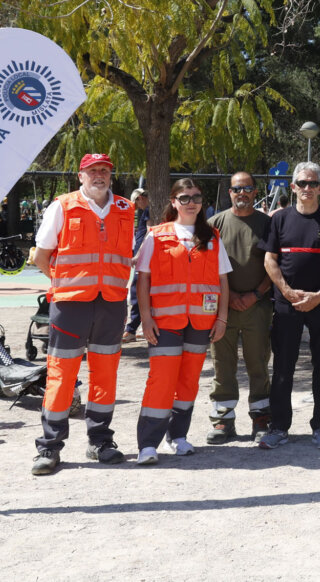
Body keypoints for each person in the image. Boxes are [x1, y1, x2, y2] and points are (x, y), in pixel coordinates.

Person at [29, 153, 135, 475]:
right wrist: (63, 284)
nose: (99, 175)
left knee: (105, 375)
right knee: (61, 376)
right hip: (70, 306)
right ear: (81, 176)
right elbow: (42, 256)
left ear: (110, 175)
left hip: (111, 304)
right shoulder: (62, 206)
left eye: (105, 170)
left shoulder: (126, 208)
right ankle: (49, 447)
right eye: (93, 171)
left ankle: (100, 442)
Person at [134, 179, 231, 464]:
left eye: (196, 197)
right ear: (174, 201)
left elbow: (223, 281)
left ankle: (178, 436)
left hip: (201, 322)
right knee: (162, 381)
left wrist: (222, 318)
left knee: (188, 382)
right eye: (185, 198)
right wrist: (145, 318)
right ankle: (148, 444)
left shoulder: (212, 236)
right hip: (164, 322)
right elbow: (143, 280)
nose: (191, 203)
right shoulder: (156, 235)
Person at [260, 162, 320, 451]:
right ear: (293, 187)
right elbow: (269, 260)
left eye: (312, 183)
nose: (307, 188)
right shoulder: (279, 219)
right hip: (287, 306)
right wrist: (287, 292)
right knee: (283, 366)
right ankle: (278, 427)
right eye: (302, 183)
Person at [205, 172, 274, 444]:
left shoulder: (267, 224)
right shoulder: (214, 224)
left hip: (258, 306)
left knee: (258, 363)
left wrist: (255, 294)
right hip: (223, 309)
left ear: (255, 192)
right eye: (236, 189)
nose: (241, 193)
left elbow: (275, 264)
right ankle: (223, 420)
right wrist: (230, 296)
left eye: (247, 188)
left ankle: (261, 418)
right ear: (230, 193)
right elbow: (205, 266)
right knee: (222, 365)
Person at [122, 188, 151, 343]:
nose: (136, 207)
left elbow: (149, 233)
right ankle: (137, 326)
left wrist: (138, 254)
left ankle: (131, 329)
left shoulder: (148, 211)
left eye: (136, 203)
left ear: (140, 198)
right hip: (145, 257)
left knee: (137, 291)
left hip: (144, 258)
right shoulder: (147, 210)